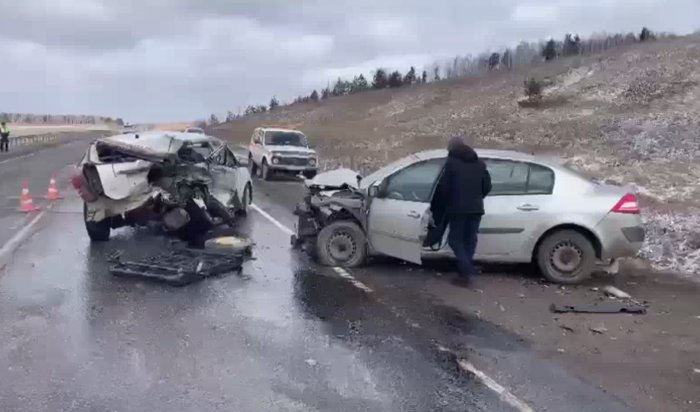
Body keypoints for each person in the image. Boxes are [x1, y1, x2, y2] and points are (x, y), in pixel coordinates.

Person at [435, 136, 491, 288]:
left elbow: (445, 188)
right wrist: (477, 198)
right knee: (469, 240)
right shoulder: (480, 164)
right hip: (476, 209)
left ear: (451, 149)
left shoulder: (451, 164)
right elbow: (487, 186)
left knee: (455, 240)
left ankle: (467, 271)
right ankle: (464, 273)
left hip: (458, 209)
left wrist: (446, 204)